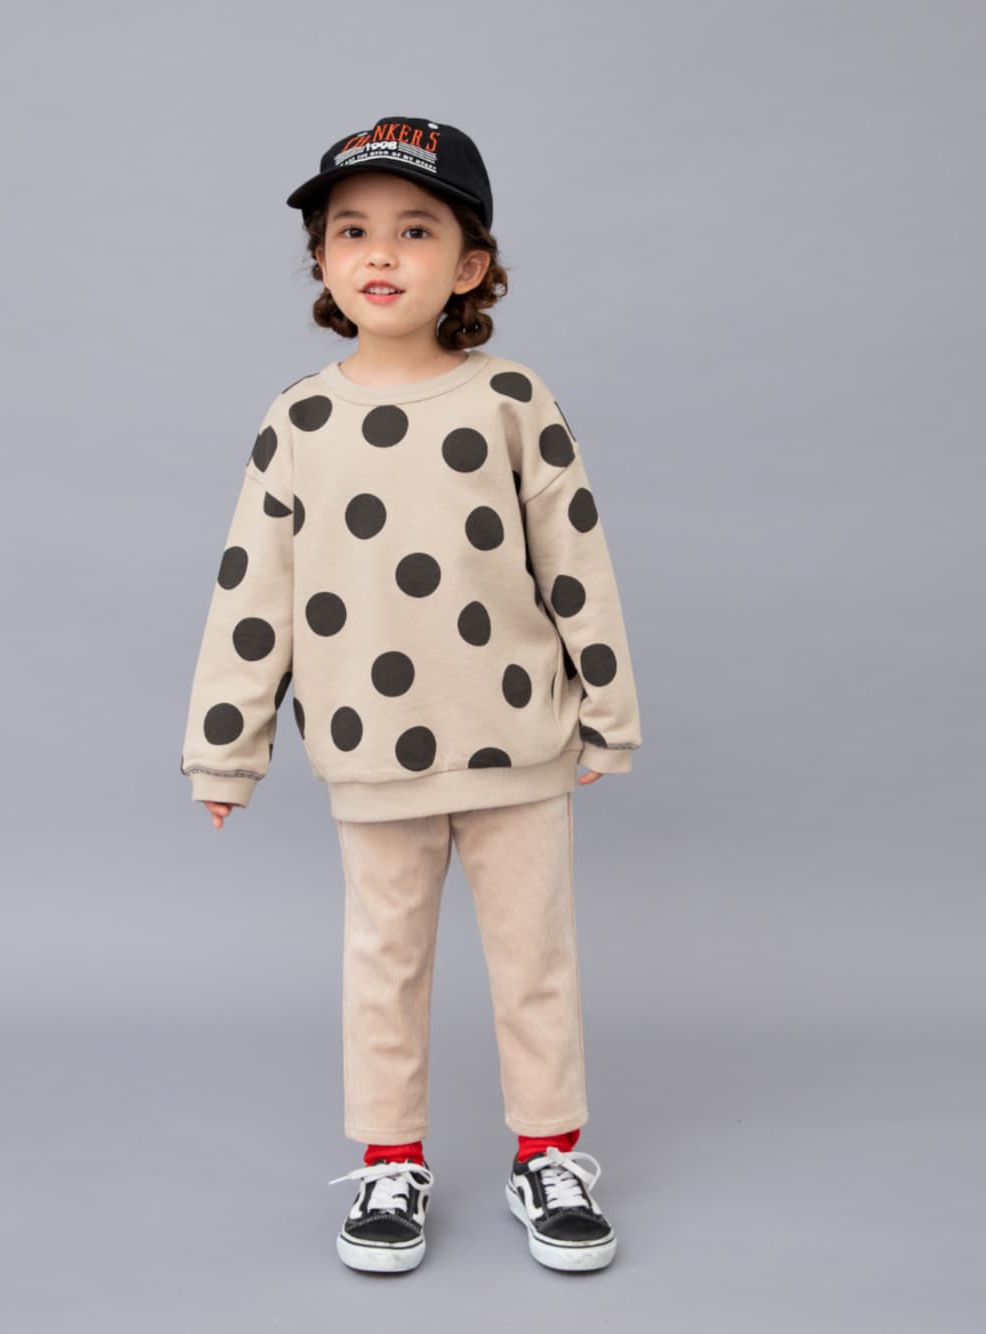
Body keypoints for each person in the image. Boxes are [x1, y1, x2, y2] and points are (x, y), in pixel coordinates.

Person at [179, 115, 642, 1275]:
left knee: (534, 958)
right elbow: (253, 595)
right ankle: (390, 1160)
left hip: (518, 742)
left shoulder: (513, 400)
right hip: (371, 751)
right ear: (322, 260)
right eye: (351, 230)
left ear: (471, 264)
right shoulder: (298, 419)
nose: (380, 252)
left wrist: (607, 714)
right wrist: (226, 751)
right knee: (383, 962)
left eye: (416, 230)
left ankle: (549, 1152)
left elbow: (575, 564)